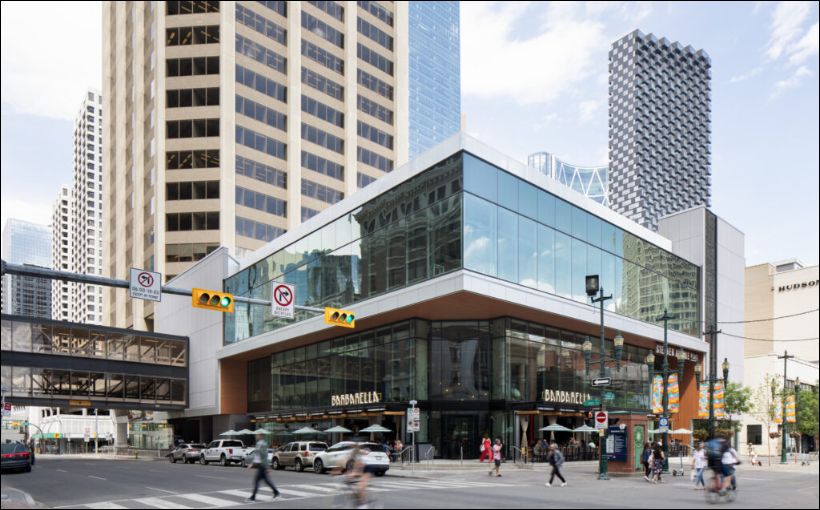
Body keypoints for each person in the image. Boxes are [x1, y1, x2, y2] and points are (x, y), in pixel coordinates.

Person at [245, 432, 280, 502]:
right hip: (261, 465)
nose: (256, 436)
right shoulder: (260, 443)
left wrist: (267, 467)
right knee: (267, 481)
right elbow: (257, 456)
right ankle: (276, 493)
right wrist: (252, 464)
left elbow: (263, 456)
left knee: (257, 481)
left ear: (260, 436)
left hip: (262, 466)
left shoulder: (262, 444)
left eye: (257, 435)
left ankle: (253, 498)